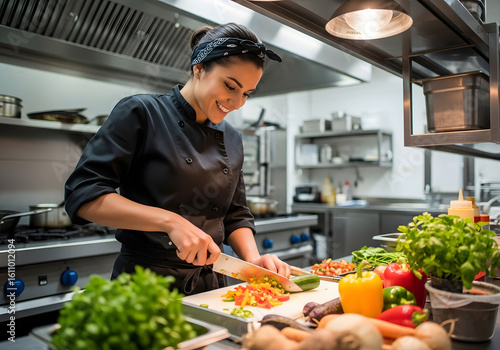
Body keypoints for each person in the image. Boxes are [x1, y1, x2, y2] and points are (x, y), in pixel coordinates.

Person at [64, 22, 290, 295]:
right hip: (144, 287)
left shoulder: (232, 137)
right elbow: (84, 194)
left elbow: (235, 213)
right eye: (230, 86)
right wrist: (170, 221)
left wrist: (254, 262)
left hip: (212, 287)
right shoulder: (142, 112)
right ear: (199, 68)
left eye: (246, 94)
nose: (237, 102)